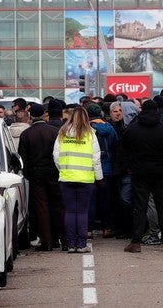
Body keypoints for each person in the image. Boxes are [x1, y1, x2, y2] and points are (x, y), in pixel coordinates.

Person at [121, 100, 163, 253]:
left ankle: (135, 242)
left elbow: (123, 151)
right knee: (162, 207)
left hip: (139, 173)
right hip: (161, 173)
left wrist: (128, 167)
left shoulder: (132, 129)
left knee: (140, 207)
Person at [53, 107, 103, 253]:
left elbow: (56, 155)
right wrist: (99, 178)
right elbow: (96, 159)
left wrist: (63, 169)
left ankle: (70, 244)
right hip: (86, 178)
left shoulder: (62, 133)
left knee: (69, 211)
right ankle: (81, 245)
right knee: (82, 212)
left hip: (66, 176)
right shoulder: (90, 134)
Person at [19, 103, 65, 251]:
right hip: (54, 172)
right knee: (57, 205)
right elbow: (60, 153)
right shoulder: (54, 132)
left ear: (30, 115)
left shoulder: (26, 134)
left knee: (41, 207)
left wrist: (27, 173)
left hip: (36, 173)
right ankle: (60, 238)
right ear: (44, 114)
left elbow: (22, 158)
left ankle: (46, 241)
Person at [85, 102, 118, 239]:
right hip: (107, 168)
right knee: (105, 200)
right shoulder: (109, 128)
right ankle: (107, 228)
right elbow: (115, 145)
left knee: (90, 200)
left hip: (89, 168)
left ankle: (88, 230)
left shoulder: (86, 128)